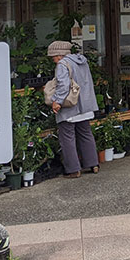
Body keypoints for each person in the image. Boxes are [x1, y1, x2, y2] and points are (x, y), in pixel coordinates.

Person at [47, 40, 100, 178]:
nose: (53, 60)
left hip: (71, 106)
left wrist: (57, 101)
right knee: (86, 133)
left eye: (53, 56)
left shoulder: (62, 64)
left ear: (59, 55)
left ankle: (73, 169)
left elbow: (63, 85)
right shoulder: (82, 61)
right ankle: (93, 164)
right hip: (86, 105)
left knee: (67, 137)